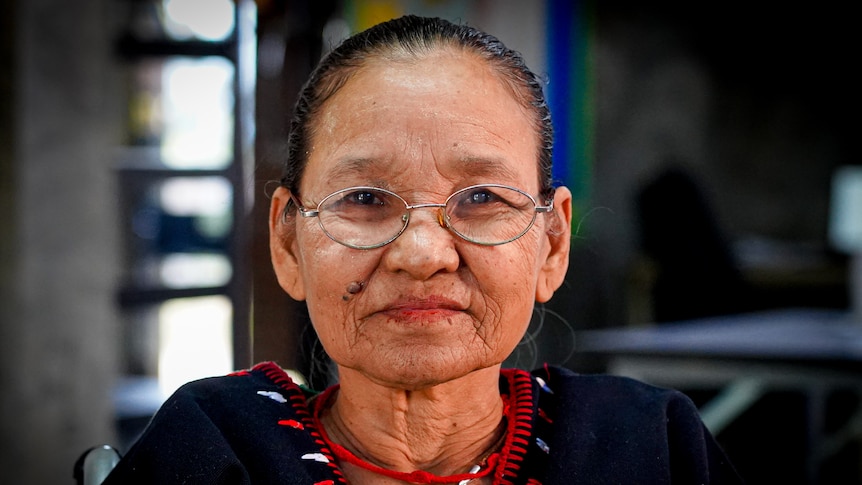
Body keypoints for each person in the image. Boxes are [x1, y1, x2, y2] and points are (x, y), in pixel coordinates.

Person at [104, 15, 743, 484]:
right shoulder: (210, 449)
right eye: (362, 199)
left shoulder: (649, 448)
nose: (423, 253)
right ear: (288, 241)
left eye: (482, 198)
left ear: (550, 243)